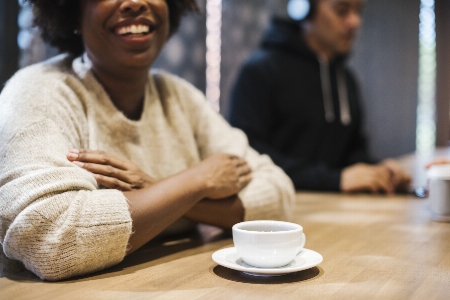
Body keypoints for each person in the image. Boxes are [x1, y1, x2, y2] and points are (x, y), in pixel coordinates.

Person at [0, 0, 295, 281]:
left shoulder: (180, 96)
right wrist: (195, 182)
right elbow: (50, 238)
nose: (135, 3)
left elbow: (278, 194)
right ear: (73, 12)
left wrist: (156, 188)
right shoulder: (38, 92)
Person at [227, 0, 411, 193]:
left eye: (358, 12)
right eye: (342, 10)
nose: (355, 22)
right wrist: (333, 180)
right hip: (279, 211)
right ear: (304, 9)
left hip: (334, 210)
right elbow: (248, 155)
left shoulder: (346, 79)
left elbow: (352, 153)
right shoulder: (261, 71)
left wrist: (379, 170)